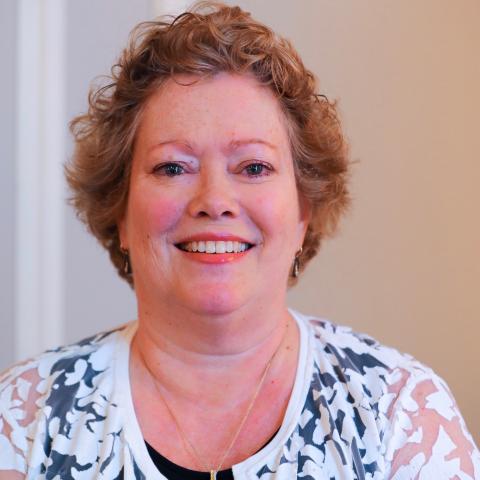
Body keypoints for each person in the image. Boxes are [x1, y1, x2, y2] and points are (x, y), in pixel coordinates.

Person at [1, 2, 479, 479]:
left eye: (253, 167)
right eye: (173, 167)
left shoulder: (401, 416)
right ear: (120, 211)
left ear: (303, 213)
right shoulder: (24, 420)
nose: (214, 201)